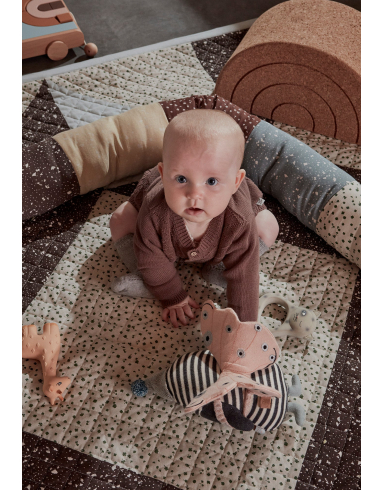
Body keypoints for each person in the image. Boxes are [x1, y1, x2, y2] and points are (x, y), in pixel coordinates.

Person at [109, 109, 279, 327]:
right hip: (158, 250)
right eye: (181, 178)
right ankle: (146, 279)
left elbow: (246, 273)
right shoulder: (154, 212)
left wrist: (244, 326)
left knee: (267, 226)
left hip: (223, 248)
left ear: (236, 182)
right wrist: (171, 294)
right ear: (162, 174)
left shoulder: (239, 219)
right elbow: (149, 254)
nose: (194, 195)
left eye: (211, 182)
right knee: (120, 219)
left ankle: (218, 269)